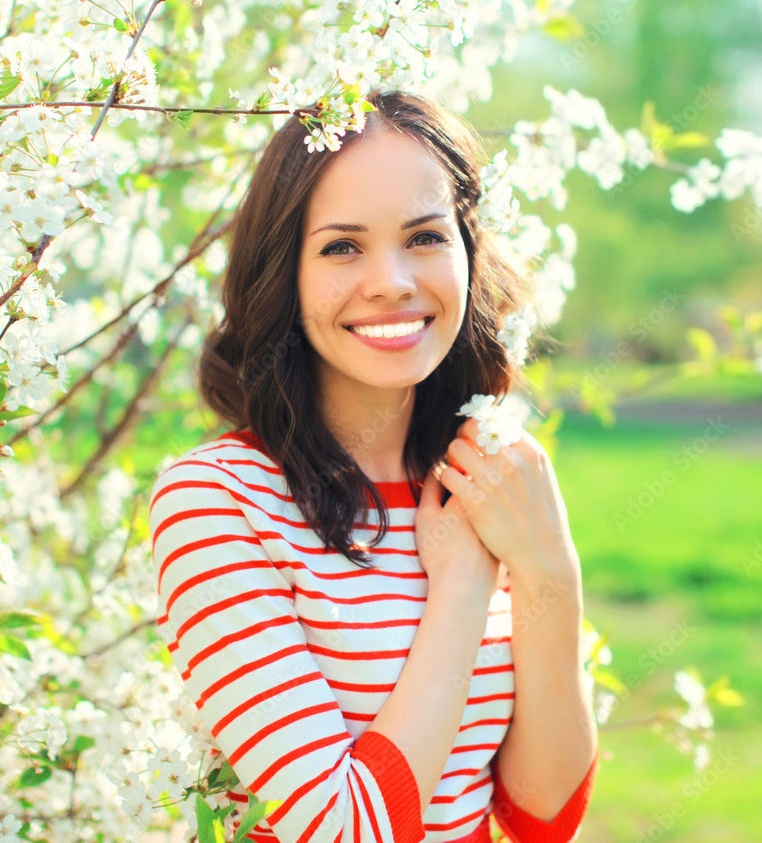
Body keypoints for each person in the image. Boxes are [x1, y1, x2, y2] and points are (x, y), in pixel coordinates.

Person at [149, 89, 599, 843]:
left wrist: (550, 567)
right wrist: (460, 586)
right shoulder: (217, 500)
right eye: (342, 246)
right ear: (282, 273)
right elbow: (345, 827)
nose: (391, 280)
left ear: (467, 249)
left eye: (424, 237)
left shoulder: (484, 477)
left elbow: (541, 818)